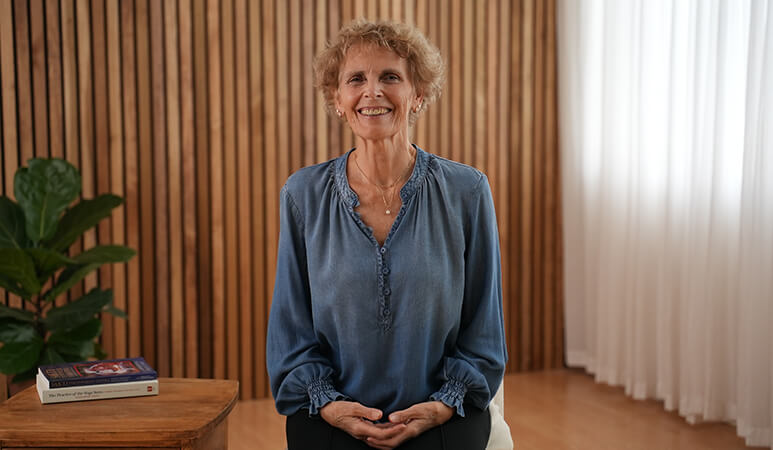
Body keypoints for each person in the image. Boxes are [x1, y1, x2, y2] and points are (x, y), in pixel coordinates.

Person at [267, 19, 507, 450]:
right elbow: (292, 330)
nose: (372, 91)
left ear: (418, 95)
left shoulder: (467, 192)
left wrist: (444, 404)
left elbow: (483, 330)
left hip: (441, 411)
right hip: (332, 411)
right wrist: (330, 405)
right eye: (356, 79)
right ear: (337, 100)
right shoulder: (302, 195)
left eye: (391, 77)